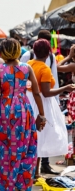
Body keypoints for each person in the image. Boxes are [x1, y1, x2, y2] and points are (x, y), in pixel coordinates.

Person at [0, 38, 46, 191]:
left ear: (2, 51)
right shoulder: (27, 68)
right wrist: (41, 114)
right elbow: (36, 92)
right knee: (26, 144)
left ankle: (8, 183)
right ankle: (22, 184)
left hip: (5, 111)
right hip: (24, 109)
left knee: (6, 146)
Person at [26, 39, 73, 178]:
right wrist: (66, 87)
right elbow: (46, 92)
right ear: (48, 54)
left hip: (29, 100)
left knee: (32, 137)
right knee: (40, 137)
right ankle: (35, 173)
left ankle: (33, 171)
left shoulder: (28, 64)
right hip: (41, 103)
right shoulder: (44, 69)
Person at [20, 30, 60, 175]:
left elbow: (54, 75)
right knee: (39, 133)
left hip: (40, 99)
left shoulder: (51, 57)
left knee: (42, 134)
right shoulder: (27, 56)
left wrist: (55, 101)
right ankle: (34, 170)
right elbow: (22, 76)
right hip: (36, 99)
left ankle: (43, 165)